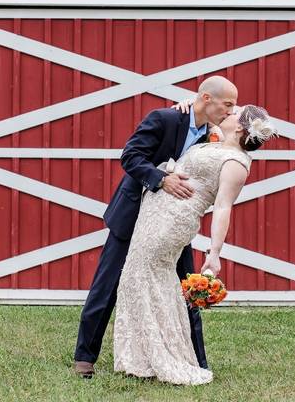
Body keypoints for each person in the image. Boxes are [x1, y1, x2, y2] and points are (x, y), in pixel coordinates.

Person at [72, 76, 239, 378]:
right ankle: (84, 357)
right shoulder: (164, 118)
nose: (231, 110)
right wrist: (162, 179)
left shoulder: (211, 135)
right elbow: (131, 156)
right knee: (107, 285)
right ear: (205, 98)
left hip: (173, 225)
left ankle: (196, 360)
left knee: (186, 288)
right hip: (134, 215)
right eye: (227, 104)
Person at [112, 104, 277, 385]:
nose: (228, 113)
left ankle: (166, 356)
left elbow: (223, 207)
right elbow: (199, 115)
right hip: (153, 214)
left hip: (172, 222)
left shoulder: (236, 163)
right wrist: (186, 104)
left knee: (148, 279)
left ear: (239, 127)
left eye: (234, 112)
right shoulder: (216, 142)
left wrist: (215, 254)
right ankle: (141, 356)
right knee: (137, 279)